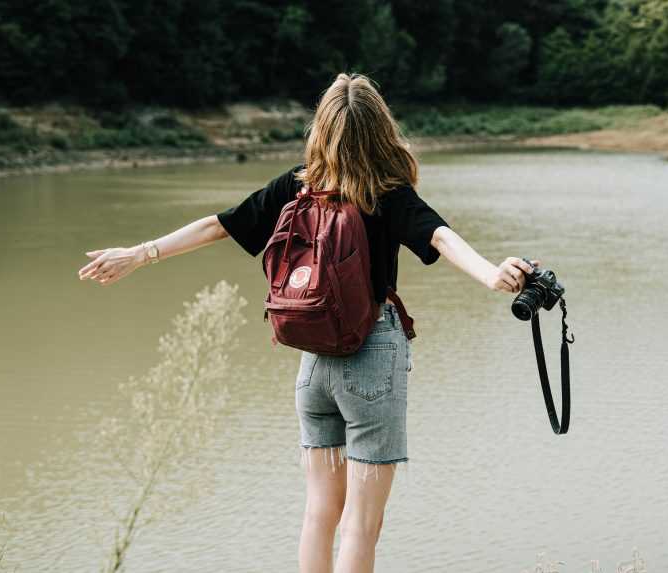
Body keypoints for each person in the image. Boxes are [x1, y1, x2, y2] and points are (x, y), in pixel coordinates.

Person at [76, 72, 539, 573]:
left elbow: (218, 225)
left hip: (313, 366)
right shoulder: (387, 192)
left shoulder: (300, 186)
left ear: (321, 129)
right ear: (382, 130)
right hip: (371, 361)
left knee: (320, 514)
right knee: (362, 525)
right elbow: (443, 239)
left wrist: (140, 253)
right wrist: (494, 275)